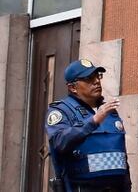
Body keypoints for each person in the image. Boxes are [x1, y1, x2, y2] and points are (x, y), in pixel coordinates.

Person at [45, 59, 131, 192]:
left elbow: (122, 156)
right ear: (73, 87)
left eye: (98, 76)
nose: (96, 81)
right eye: (89, 78)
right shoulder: (62, 111)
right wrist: (93, 121)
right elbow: (59, 142)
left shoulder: (109, 111)